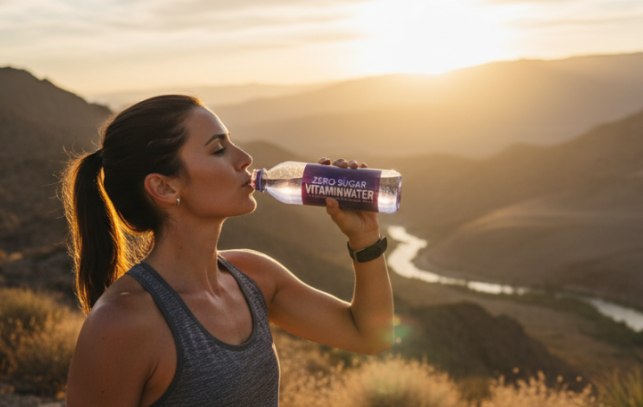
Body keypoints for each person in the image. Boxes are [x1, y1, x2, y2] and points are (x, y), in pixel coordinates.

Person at [61, 95, 394, 407]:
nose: (245, 158)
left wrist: (364, 238)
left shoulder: (255, 276)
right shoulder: (120, 324)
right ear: (164, 186)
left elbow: (369, 337)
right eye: (219, 149)